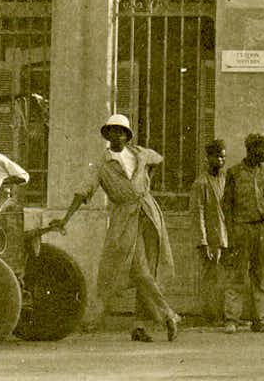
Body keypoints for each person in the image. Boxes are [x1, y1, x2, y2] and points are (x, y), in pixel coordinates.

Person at [50, 114, 178, 343]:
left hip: (148, 213)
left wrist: (147, 182)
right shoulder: (101, 165)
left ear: (127, 136)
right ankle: (168, 314)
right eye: (112, 131)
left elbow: (158, 159)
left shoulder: (139, 153)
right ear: (107, 135)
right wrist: (65, 219)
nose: (117, 135)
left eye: (122, 131)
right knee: (139, 270)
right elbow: (83, 192)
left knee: (150, 267)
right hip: (124, 218)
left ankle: (139, 326)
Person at [221, 132, 264, 331]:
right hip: (241, 229)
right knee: (237, 274)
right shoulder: (234, 173)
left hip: (262, 229)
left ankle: (260, 319)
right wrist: (229, 233)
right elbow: (227, 206)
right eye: (261, 148)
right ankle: (231, 319)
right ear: (250, 149)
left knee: (259, 275)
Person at [194, 138, 232, 322]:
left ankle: (225, 315)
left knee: (226, 279)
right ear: (208, 157)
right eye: (216, 157)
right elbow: (197, 214)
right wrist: (203, 242)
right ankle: (210, 316)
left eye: (223, 157)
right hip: (211, 239)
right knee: (211, 279)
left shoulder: (226, 180)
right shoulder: (201, 183)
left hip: (227, 237)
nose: (220, 161)